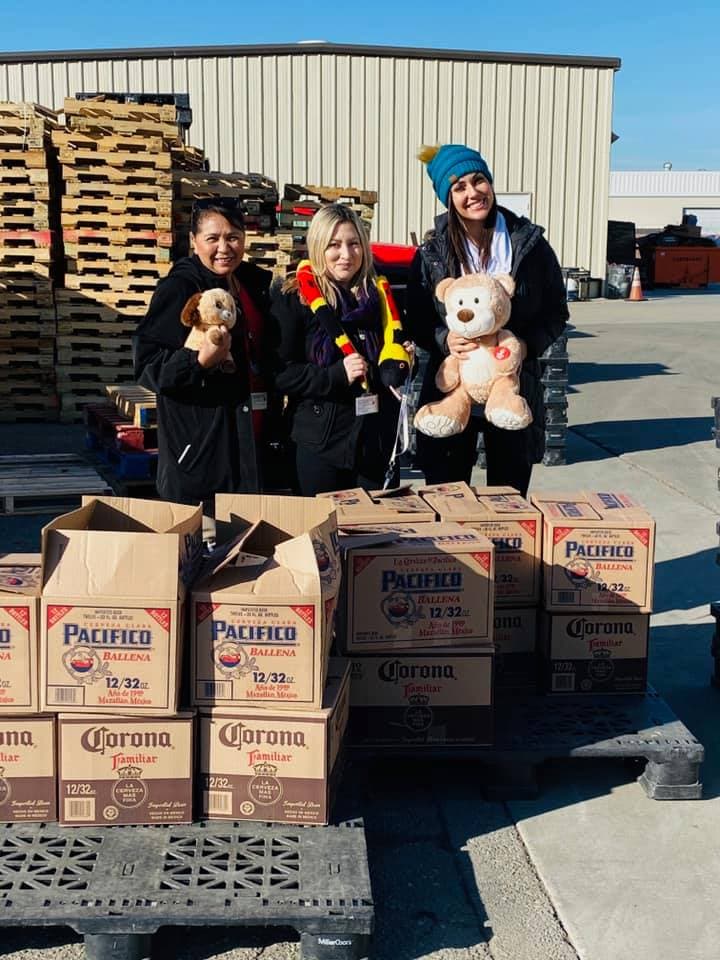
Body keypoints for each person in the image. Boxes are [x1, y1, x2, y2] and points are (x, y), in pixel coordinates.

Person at [405, 144, 569, 496]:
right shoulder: (434, 253)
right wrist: (442, 339)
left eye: (478, 180)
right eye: (459, 187)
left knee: (508, 502)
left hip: (512, 384)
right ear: (447, 198)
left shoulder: (530, 245)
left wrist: (525, 345)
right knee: (447, 499)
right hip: (451, 388)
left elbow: (556, 311)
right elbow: (414, 317)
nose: (473, 192)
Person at [133, 198, 274, 505]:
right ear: (194, 242)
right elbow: (147, 366)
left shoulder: (252, 284)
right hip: (202, 449)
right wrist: (197, 361)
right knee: (208, 545)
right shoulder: (180, 288)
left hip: (250, 438)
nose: (224, 247)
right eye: (213, 238)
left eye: (233, 237)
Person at [271, 203, 412, 496]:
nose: (346, 255)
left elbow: (395, 354)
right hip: (321, 443)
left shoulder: (382, 298)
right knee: (321, 536)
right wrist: (335, 375)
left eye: (354, 243)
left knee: (379, 535)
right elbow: (279, 373)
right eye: (334, 245)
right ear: (318, 246)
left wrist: (404, 363)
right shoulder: (295, 298)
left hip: (376, 441)